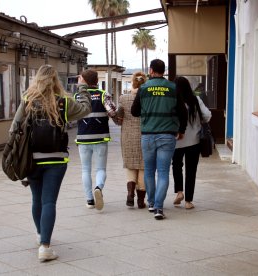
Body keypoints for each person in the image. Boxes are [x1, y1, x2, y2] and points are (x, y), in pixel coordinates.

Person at [11, 65, 91, 262]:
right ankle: (45, 247)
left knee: (36, 199)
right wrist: (82, 89)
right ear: (56, 81)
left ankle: (40, 236)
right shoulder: (63, 102)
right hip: (56, 159)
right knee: (49, 201)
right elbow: (85, 110)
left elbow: (13, 128)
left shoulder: (28, 101)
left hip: (32, 159)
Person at [131, 59, 187, 220]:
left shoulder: (143, 88)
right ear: (164, 71)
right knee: (163, 172)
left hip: (148, 135)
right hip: (168, 135)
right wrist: (181, 130)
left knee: (149, 170)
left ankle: (151, 202)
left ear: (151, 70)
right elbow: (183, 112)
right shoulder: (173, 87)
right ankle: (158, 207)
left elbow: (135, 112)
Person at [74, 69, 117, 210]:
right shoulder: (103, 94)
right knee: (100, 168)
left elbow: (71, 116)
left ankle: (89, 200)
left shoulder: (77, 96)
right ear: (97, 81)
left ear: (83, 81)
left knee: (85, 169)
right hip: (100, 137)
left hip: (83, 137)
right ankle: (98, 187)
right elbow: (112, 111)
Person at [172, 76, 212, 209]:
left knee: (177, 166)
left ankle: (179, 192)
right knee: (191, 170)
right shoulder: (195, 99)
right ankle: (188, 201)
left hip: (177, 140)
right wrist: (198, 123)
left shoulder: (173, 100)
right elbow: (207, 115)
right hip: (194, 141)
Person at [114, 71, 147, 208]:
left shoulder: (123, 98)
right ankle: (140, 201)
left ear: (132, 82)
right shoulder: (148, 98)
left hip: (127, 136)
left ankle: (129, 194)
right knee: (143, 167)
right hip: (145, 135)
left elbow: (118, 120)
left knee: (130, 165)